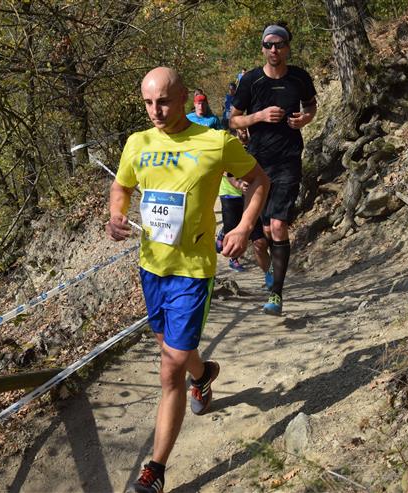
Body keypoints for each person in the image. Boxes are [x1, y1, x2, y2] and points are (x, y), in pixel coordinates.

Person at [107, 66, 269, 493]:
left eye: (163, 101)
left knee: (169, 369)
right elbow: (121, 187)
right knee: (173, 350)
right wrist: (115, 214)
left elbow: (258, 180)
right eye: (148, 103)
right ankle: (203, 374)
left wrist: (242, 227)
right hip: (151, 268)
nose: (155, 111)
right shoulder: (138, 143)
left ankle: (155, 470)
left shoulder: (216, 141)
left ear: (183, 99)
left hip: (192, 272)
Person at [229, 22, 317, 316]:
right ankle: (272, 273)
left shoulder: (300, 77)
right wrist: (259, 116)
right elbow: (233, 120)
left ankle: (276, 294)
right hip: (257, 164)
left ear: (287, 47)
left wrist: (305, 119)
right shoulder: (251, 81)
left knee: (278, 226)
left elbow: (311, 106)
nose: (274, 50)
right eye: (268, 45)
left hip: (288, 159)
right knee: (264, 231)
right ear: (263, 49)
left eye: (279, 44)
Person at [216, 173, 272, 277]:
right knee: (232, 234)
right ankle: (233, 258)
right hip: (229, 195)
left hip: (249, 196)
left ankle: (271, 278)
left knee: (260, 242)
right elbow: (227, 173)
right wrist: (239, 184)